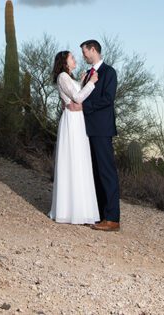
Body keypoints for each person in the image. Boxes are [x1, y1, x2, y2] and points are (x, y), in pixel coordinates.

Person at [48, 50, 101, 225]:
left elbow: (75, 94)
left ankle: (80, 209)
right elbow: (77, 97)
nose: (75, 59)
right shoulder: (63, 76)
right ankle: (71, 210)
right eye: (72, 57)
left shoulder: (67, 77)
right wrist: (91, 83)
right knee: (73, 160)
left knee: (79, 161)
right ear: (64, 62)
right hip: (72, 121)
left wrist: (82, 80)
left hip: (77, 120)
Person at [79, 39, 121, 231]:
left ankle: (113, 218)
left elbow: (107, 99)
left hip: (102, 130)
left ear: (93, 50)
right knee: (94, 173)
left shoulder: (109, 72)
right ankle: (100, 215)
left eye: (84, 52)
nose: (83, 56)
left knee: (106, 172)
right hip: (87, 129)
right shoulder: (87, 74)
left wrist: (84, 107)